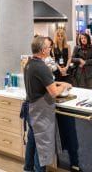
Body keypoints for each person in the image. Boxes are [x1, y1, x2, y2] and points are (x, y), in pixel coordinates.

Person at [23, 36, 72, 172]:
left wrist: (57, 83)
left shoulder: (29, 63)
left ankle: (27, 169)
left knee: (32, 142)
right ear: (43, 50)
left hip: (31, 109)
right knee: (42, 145)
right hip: (40, 112)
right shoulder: (42, 67)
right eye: (49, 47)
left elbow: (42, 83)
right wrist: (64, 86)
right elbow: (54, 93)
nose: (50, 49)